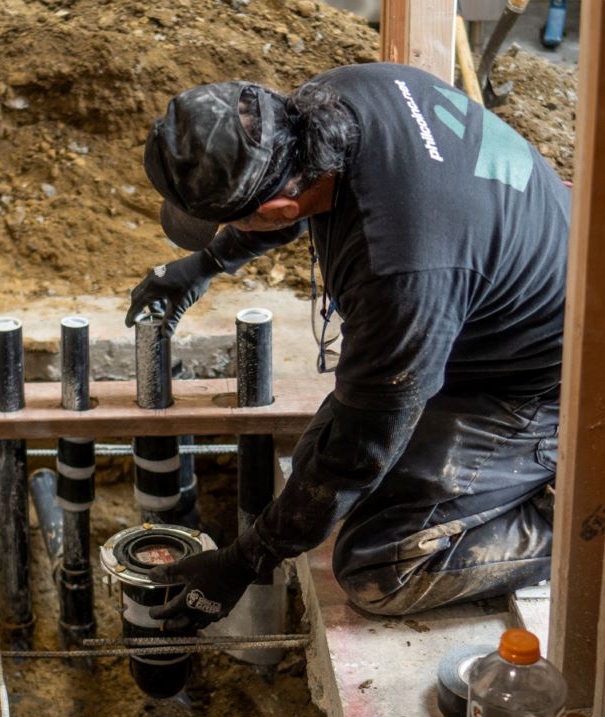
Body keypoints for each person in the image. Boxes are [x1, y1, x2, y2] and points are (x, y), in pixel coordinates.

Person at [125, 62, 569, 629]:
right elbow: (293, 196)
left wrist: (244, 560)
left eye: (224, 223)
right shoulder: (338, 98)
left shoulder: (398, 273)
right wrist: (203, 265)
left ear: (274, 210)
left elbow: (359, 455)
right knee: (320, 466)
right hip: (491, 305)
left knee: (378, 568)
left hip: (548, 382)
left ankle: (575, 519)